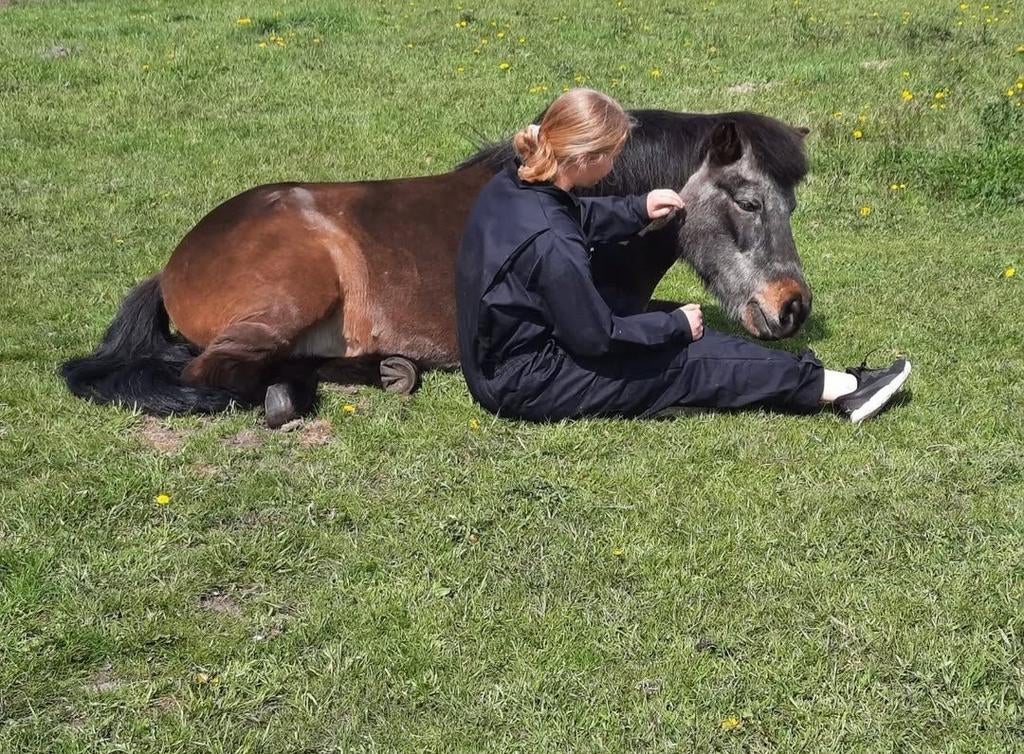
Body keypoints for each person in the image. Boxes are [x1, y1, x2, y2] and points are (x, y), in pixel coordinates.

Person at [454, 88, 911, 424]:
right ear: (585, 157)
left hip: (491, 362)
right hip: (532, 383)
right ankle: (841, 389)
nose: (615, 166)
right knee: (686, 361)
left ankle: (824, 380)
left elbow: (574, 215)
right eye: (611, 156)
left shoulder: (513, 184)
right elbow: (597, 338)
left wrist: (638, 207)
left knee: (679, 339)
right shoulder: (555, 243)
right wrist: (673, 327)